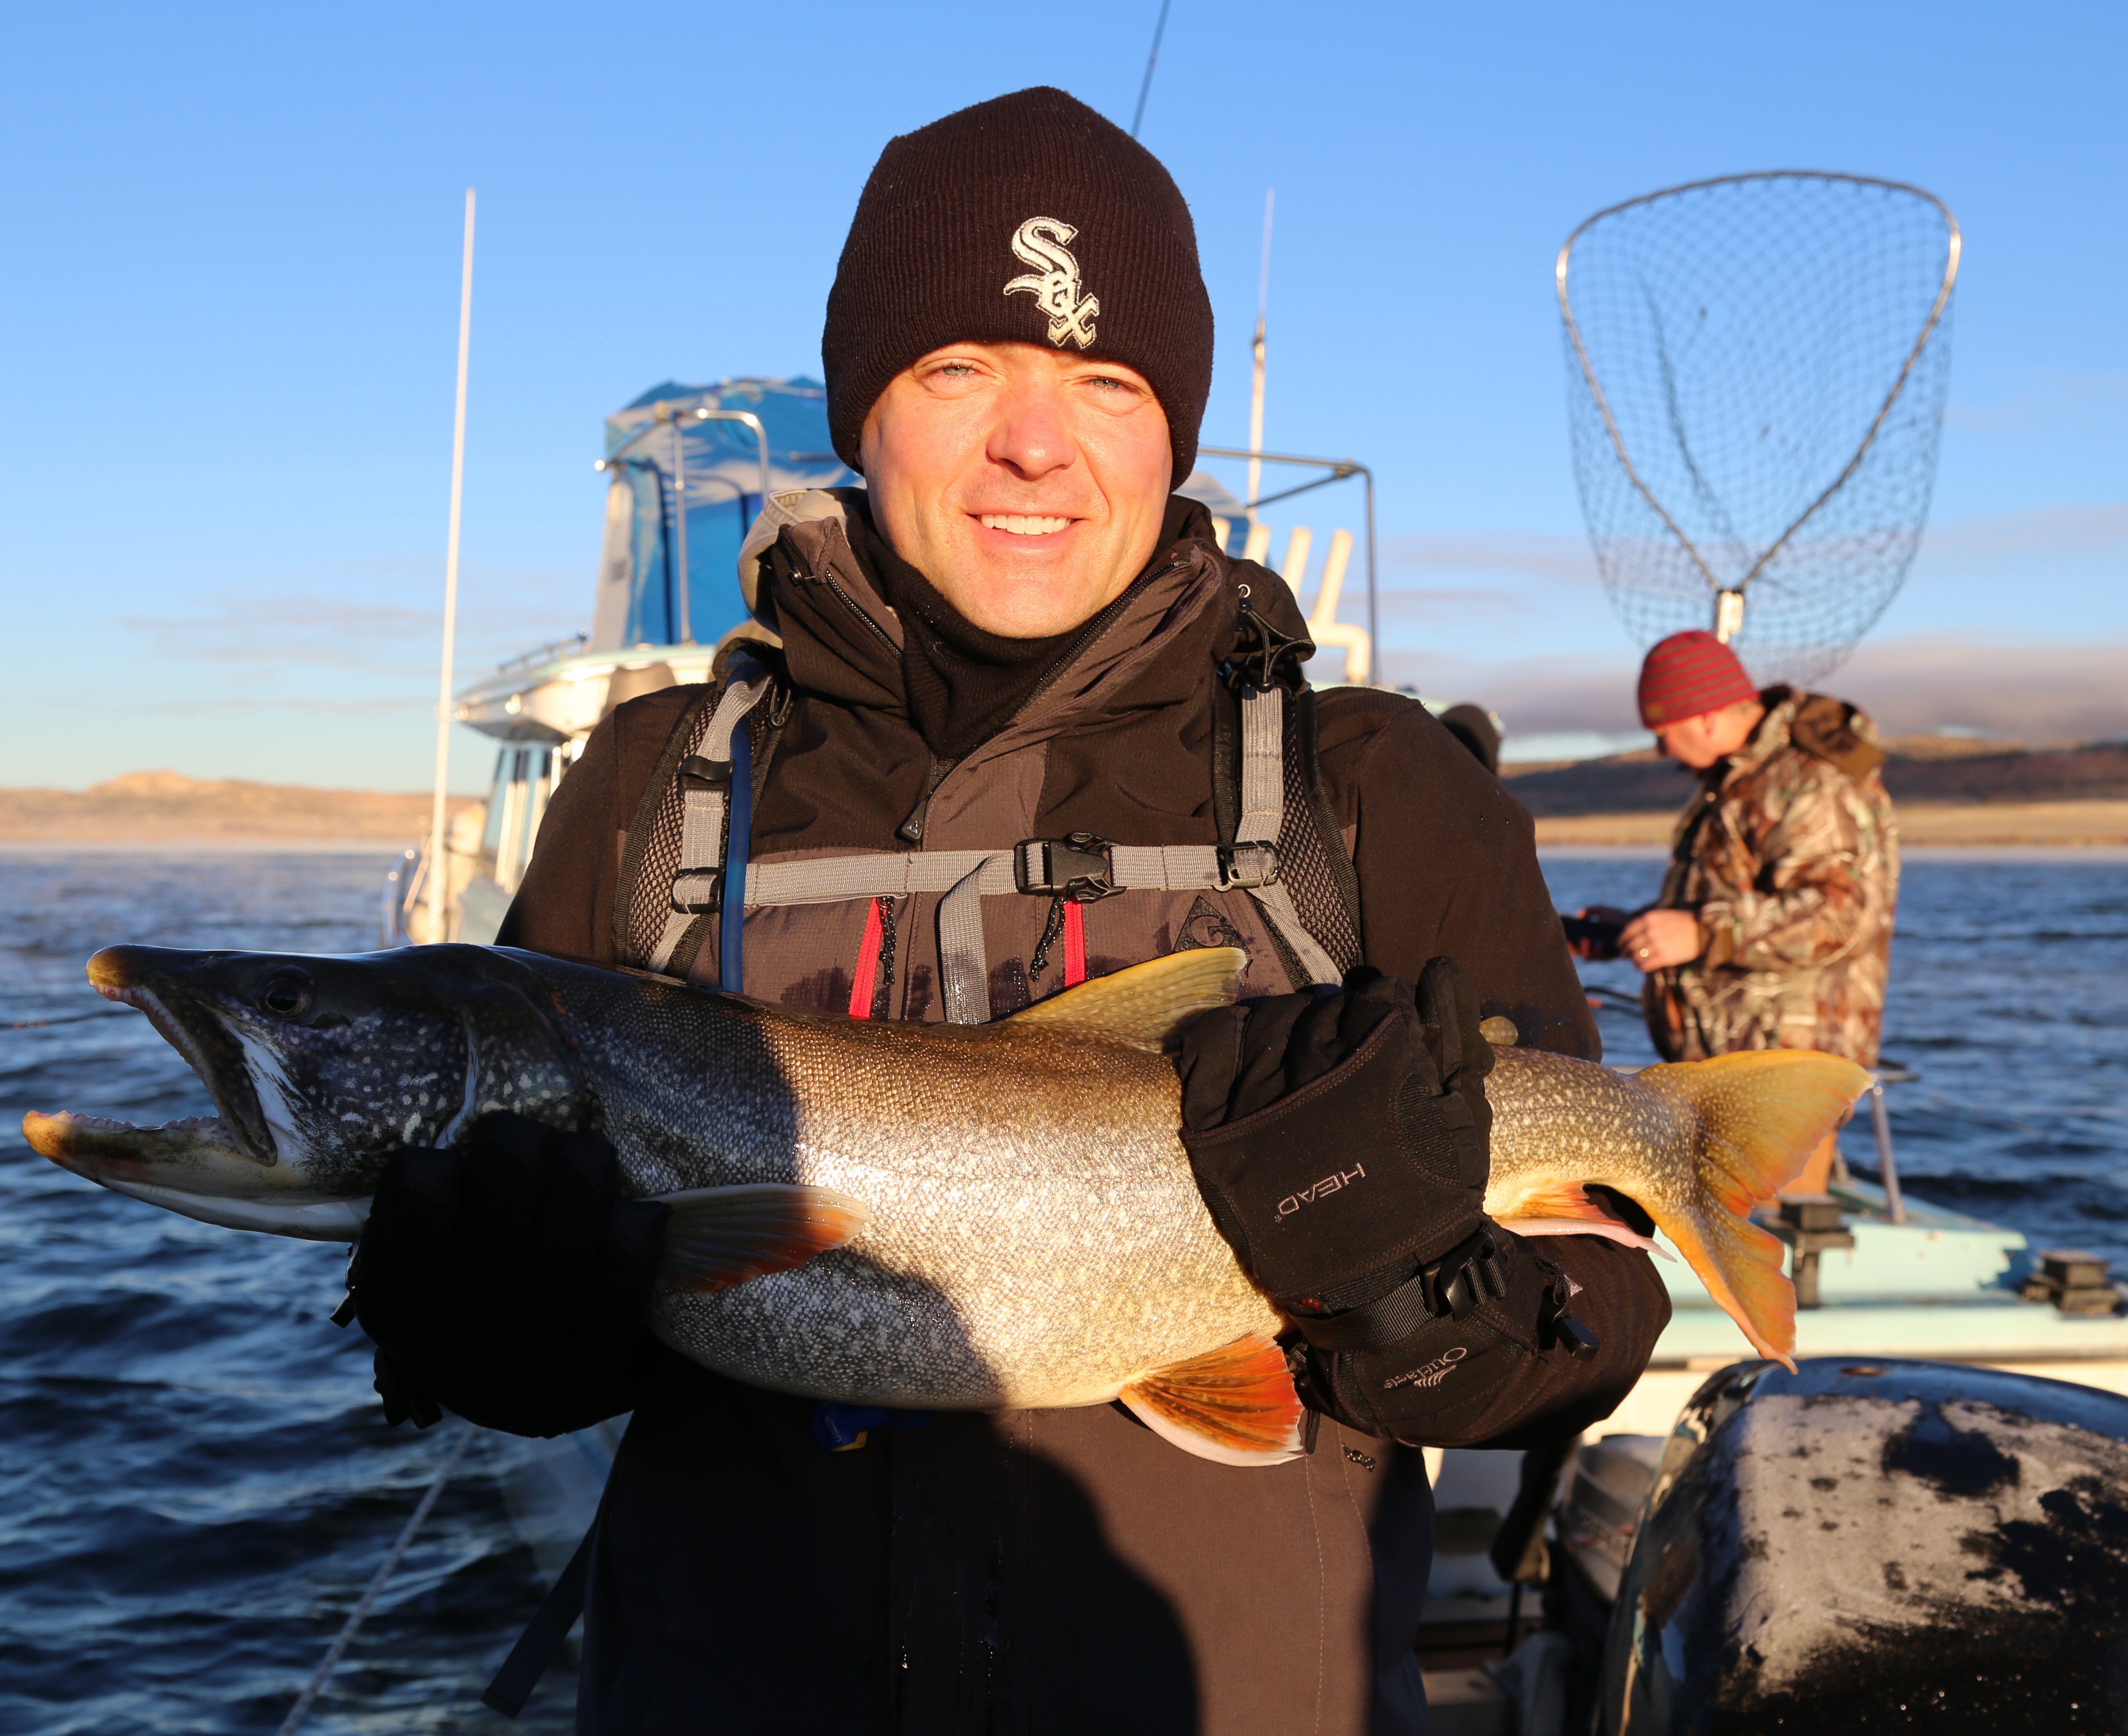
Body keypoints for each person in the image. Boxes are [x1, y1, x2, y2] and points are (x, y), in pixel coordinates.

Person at [349, 87, 1667, 1735]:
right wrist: (494, 1330)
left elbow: (1596, 1320)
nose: (1032, 442)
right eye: (956, 367)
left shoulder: (1379, 788)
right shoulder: (648, 784)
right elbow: (574, 1357)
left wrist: (1407, 1299)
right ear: (865, 411)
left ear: (1169, 430)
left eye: (1105, 382)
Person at [1570, 630, 1900, 1195]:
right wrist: (1644, 927)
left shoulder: (1811, 780)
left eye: (1663, 732)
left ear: (1703, 718)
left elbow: (1840, 914)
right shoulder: (1742, 780)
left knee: (1764, 1251)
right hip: (1728, 1079)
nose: (1661, 751)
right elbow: (1737, 897)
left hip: (1782, 1088)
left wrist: (1702, 933)